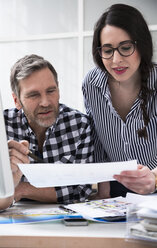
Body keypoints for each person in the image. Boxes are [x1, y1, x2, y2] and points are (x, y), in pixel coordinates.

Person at [82, 3, 157, 199]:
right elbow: (97, 142)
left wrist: (154, 179)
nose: (116, 60)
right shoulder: (92, 84)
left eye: (125, 48)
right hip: (115, 192)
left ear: (141, 45)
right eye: (108, 50)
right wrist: (103, 194)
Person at [4, 54, 94, 204]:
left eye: (51, 91)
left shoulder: (80, 125)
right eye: (34, 95)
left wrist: (20, 189)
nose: (45, 102)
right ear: (16, 101)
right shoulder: (0, 128)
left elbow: (80, 190)